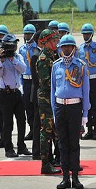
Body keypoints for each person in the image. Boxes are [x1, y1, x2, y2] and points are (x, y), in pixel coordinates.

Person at [52, 35, 90, 189]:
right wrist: (55, 112)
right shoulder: (56, 66)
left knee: (74, 144)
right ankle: (65, 178)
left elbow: (86, 90)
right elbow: (53, 90)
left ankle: (75, 177)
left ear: (74, 48)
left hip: (75, 107)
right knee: (62, 144)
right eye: (63, 46)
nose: (66, 49)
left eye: (69, 46)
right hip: (61, 107)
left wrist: (85, 113)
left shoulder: (80, 65)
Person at [0, 34, 31, 158]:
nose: (14, 46)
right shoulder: (0, 59)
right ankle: (8, 148)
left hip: (17, 92)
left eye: (15, 43)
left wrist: (13, 60)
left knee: (22, 120)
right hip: (5, 93)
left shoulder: (18, 56)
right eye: (11, 44)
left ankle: (21, 145)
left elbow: (23, 69)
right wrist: (3, 60)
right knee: (7, 122)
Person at [36, 29, 62, 174]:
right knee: (46, 132)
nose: (56, 41)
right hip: (46, 99)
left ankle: (57, 160)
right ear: (45, 43)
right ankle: (45, 165)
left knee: (56, 132)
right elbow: (46, 83)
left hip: (54, 98)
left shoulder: (53, 57)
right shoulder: (43, 60)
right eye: (53, 40)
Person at [78, 23, 96, 140]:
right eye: (84, 34)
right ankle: (88, 129)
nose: (86, 36)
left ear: (92, 34)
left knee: (95, 105)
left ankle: (95, 129)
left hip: (94, 79)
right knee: (86, 105)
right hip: (84, 80)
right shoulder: (79, 49)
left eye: (88, 34)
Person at [19, 24, 37, 140]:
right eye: (26, 33)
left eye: (29, 34)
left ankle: (36, 128)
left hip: (34, 81)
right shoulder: (21, 49)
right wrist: (20, 83)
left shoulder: (37, 48)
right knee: (27, 107)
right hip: (25, 81)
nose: (27, 36)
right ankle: (31, 128)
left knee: (35, 106)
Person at [29, 30, 43, 160]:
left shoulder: (43, 53)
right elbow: (35, 79)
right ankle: (36, 151)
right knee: (37, 124)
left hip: (43, 94)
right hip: (39, 94)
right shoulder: (36, 55)